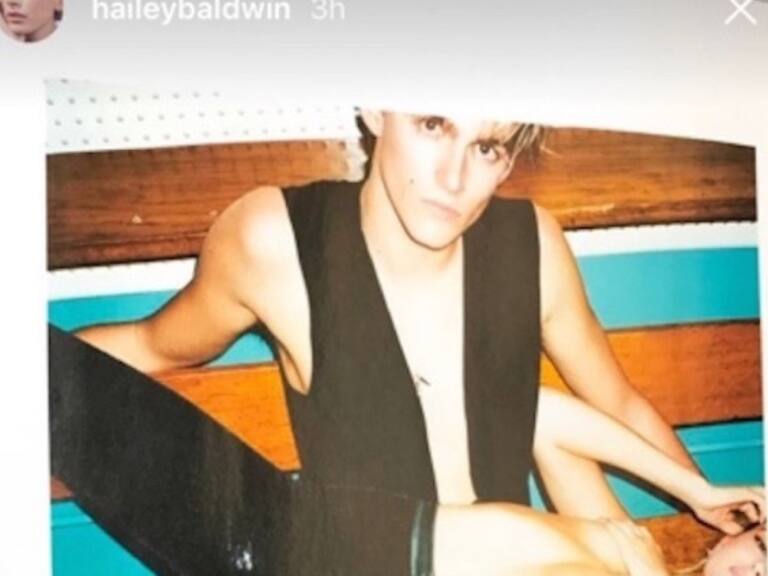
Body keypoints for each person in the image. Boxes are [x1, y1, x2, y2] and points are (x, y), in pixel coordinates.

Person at [72, 111, 762, 574]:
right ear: (376, 106)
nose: (454, 180)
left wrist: (717, 514)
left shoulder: (531, 246)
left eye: (487, 148)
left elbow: (616, 400)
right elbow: (153, 343)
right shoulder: (277, 243)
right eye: (434, 124)